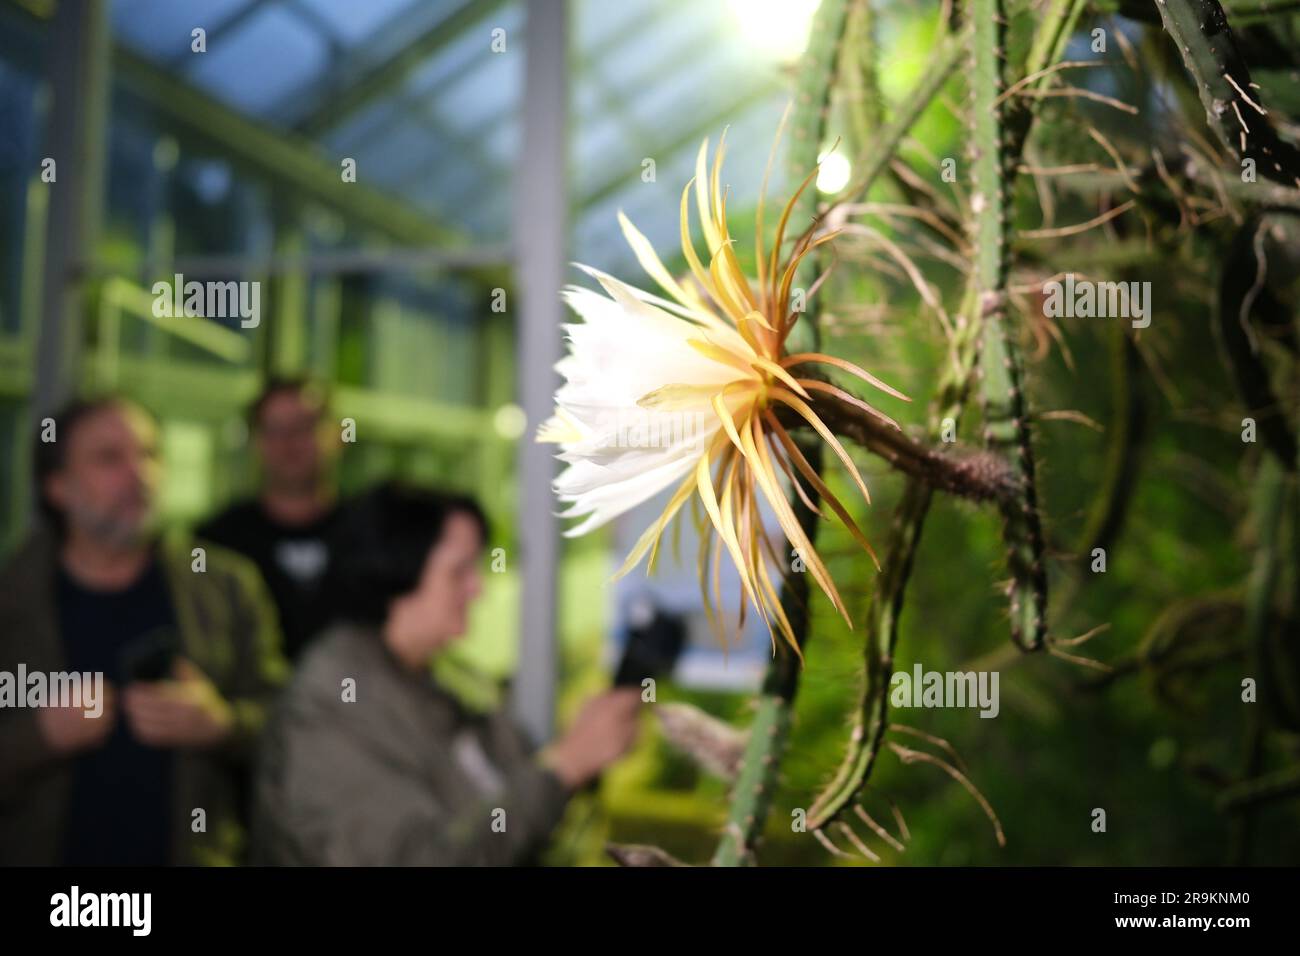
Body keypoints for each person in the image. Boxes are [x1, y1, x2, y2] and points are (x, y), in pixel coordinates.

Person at [254, 482, 642, 866]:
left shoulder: (448, 680)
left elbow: (511, 795)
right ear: (397, 571)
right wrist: (565, 767)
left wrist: (580, 752)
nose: (477, 589)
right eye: (459, 571)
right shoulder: (329, 706)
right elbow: (421, 856)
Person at [0, 396, 288, 866]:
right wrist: (39, 738)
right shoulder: (11, 602)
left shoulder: (226, 588)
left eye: (150, 454)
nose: (140, 474)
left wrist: (222, 725)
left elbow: (288, 726)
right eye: (110, 458)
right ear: (57, 486)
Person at [199, 377, 343, 662]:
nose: (289, 442)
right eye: (274, 430)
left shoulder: (371, 534)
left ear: (337, 435)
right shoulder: (217, 541)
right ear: (256, 442)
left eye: (303, 427)